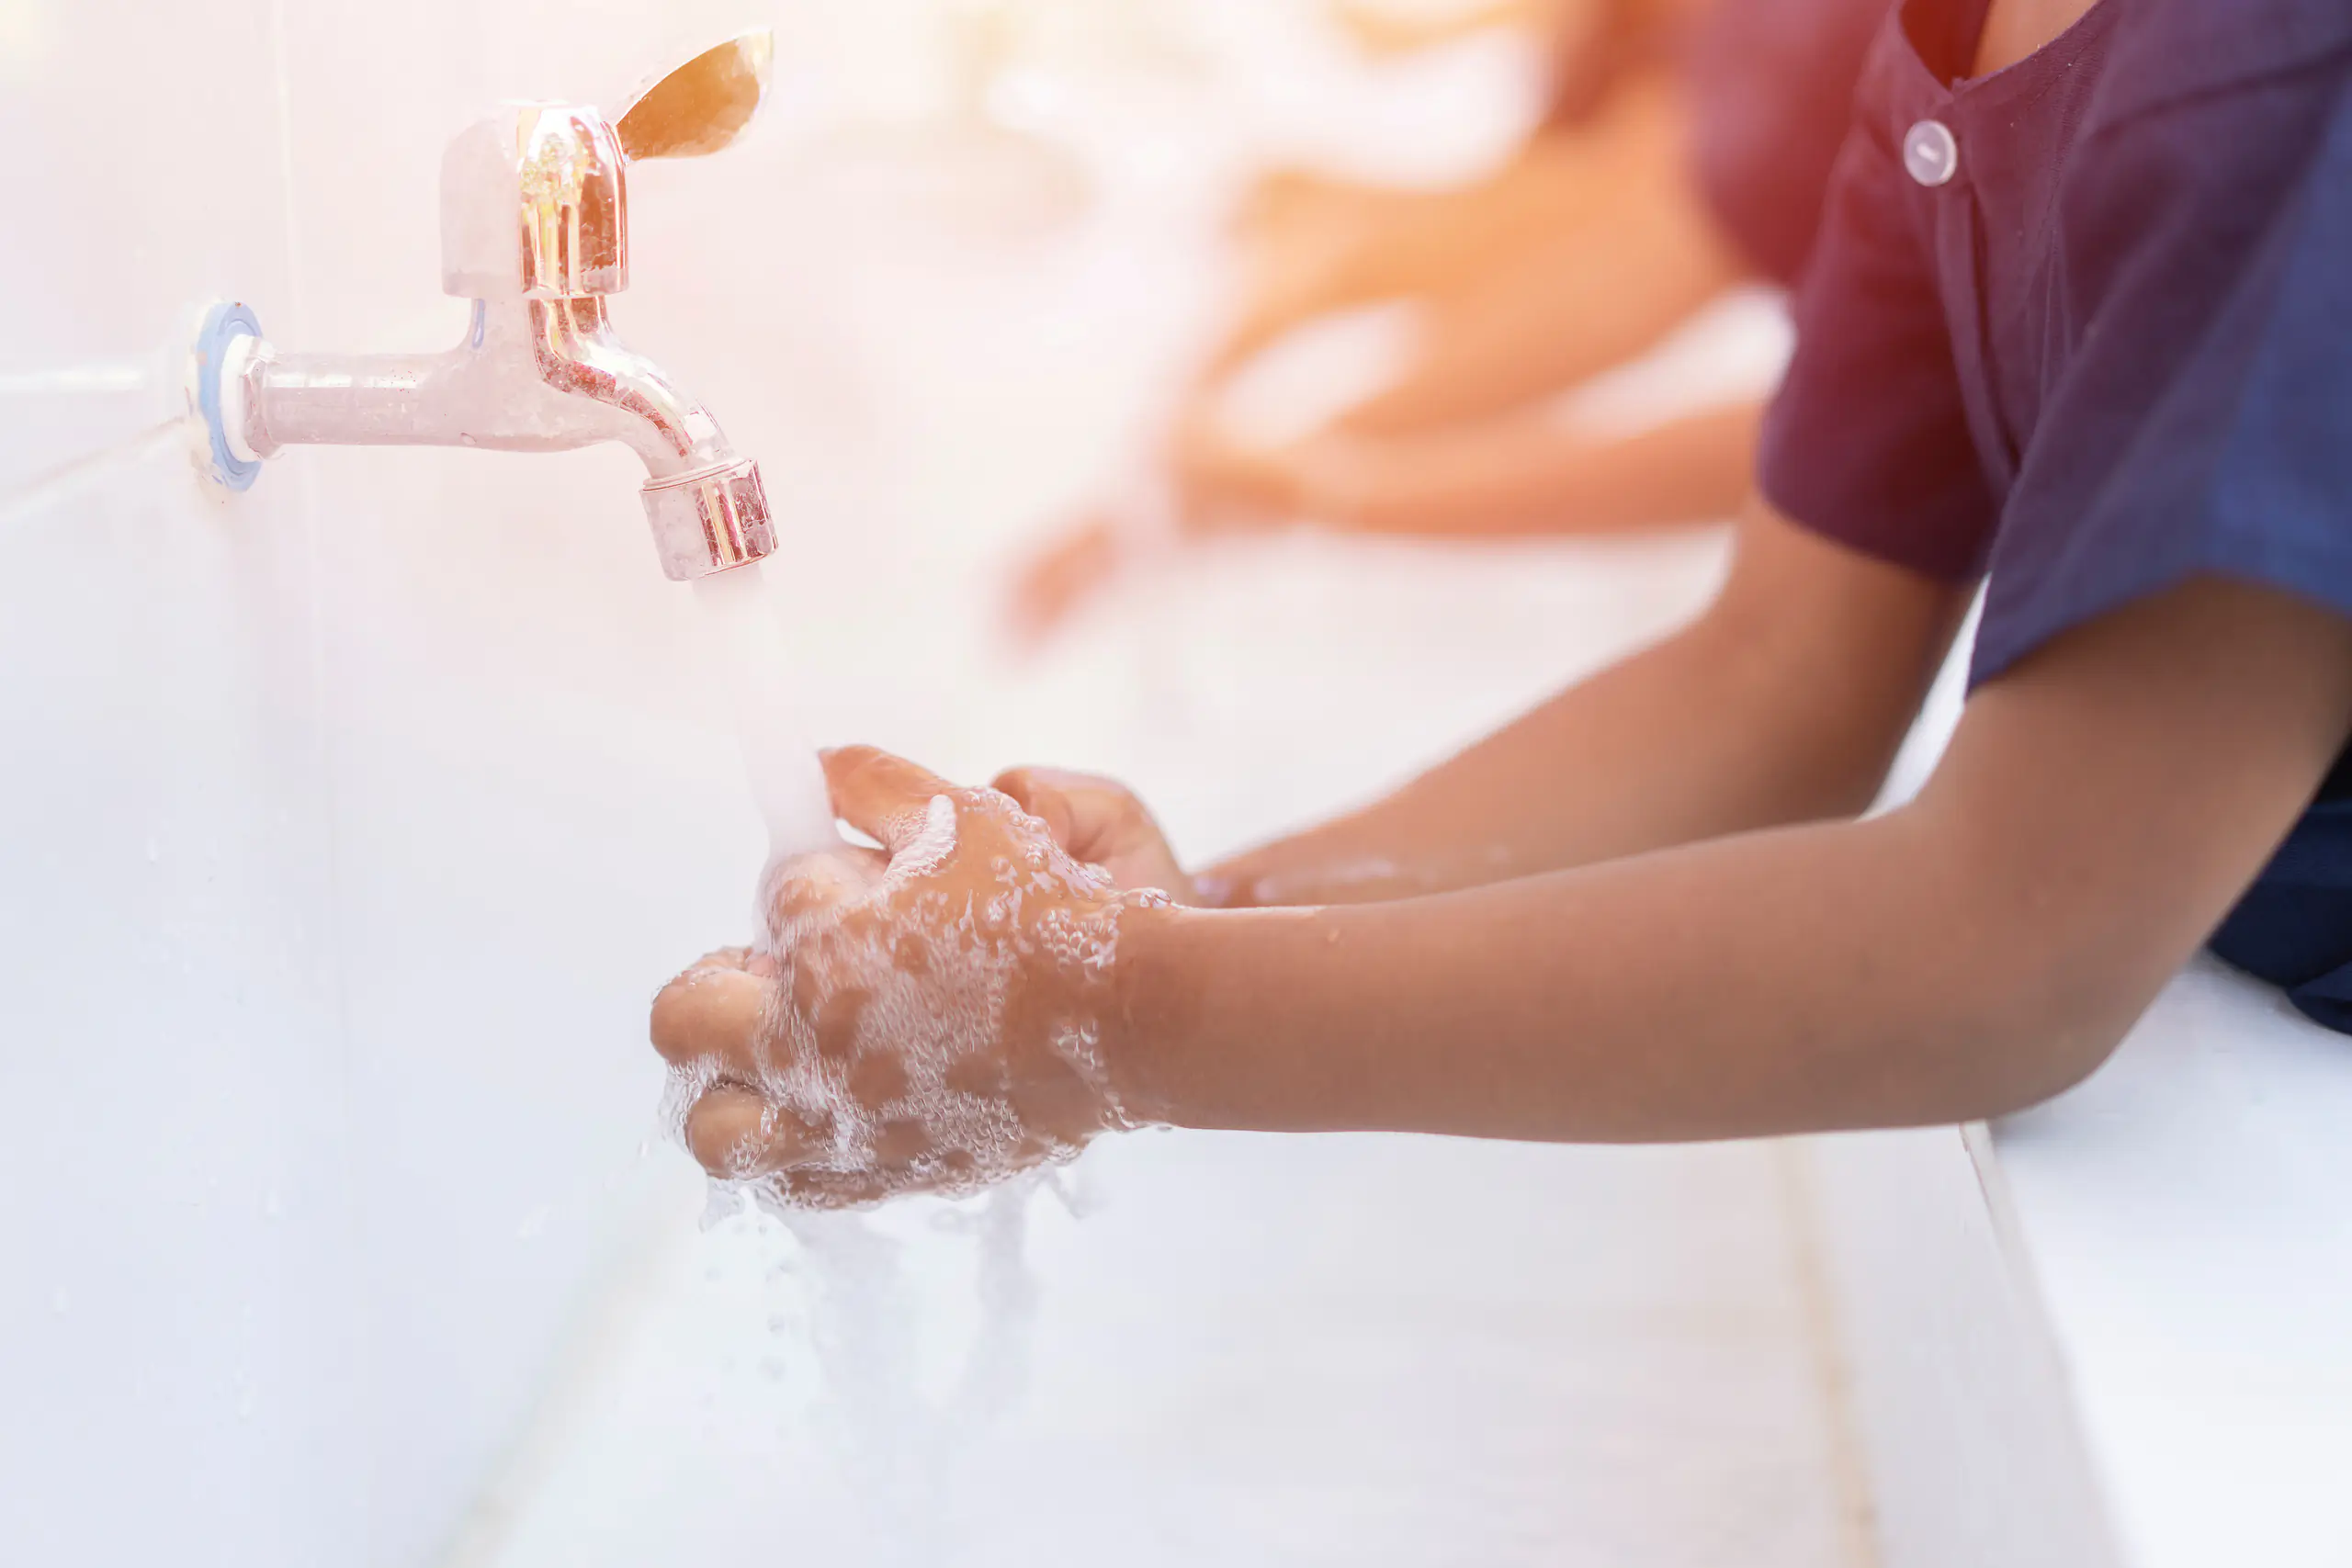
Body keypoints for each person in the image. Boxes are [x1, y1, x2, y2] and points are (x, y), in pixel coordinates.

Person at [653, 0, 2352, 1209]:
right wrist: (1192, 912)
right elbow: (1763, 684)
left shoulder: (2275, 74)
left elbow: (2014, 946)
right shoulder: (1947, 36)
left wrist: (1109, 1016)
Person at [1008, 0, 1886, 641]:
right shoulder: (1706, 132)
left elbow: (1622, 314)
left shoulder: (1710, 160)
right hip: (1681, 150)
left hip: (1693, 161)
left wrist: (1320, 483)